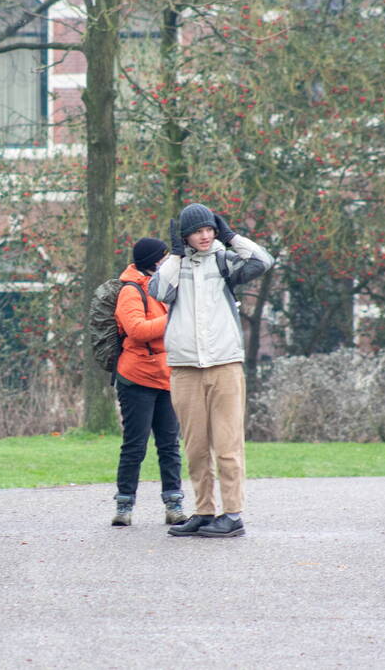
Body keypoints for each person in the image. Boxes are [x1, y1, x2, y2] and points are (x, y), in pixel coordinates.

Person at [150, 203, 274, 538]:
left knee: (228, 445)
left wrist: (232, 237)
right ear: (185, 236)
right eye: (198, 231)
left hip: (224, 365)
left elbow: (263, 261)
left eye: (210, 229)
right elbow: (158, 291)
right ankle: (204, 511)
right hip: (186, 368)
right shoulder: (177, 266)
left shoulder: (225, 261)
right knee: (195, 446)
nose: (205, 236)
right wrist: (175, 255)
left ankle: (232, 514)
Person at [111, 238, 187, 528]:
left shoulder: (165, 287)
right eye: (163, 258)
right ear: (154, 261)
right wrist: (173, 319)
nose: (167, 262)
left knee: (169, 445)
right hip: (136, 378)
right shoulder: (131, 291)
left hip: (166, 376)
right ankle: (124, 505)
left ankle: (174, 504)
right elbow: (136, 329)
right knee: (135, 445)